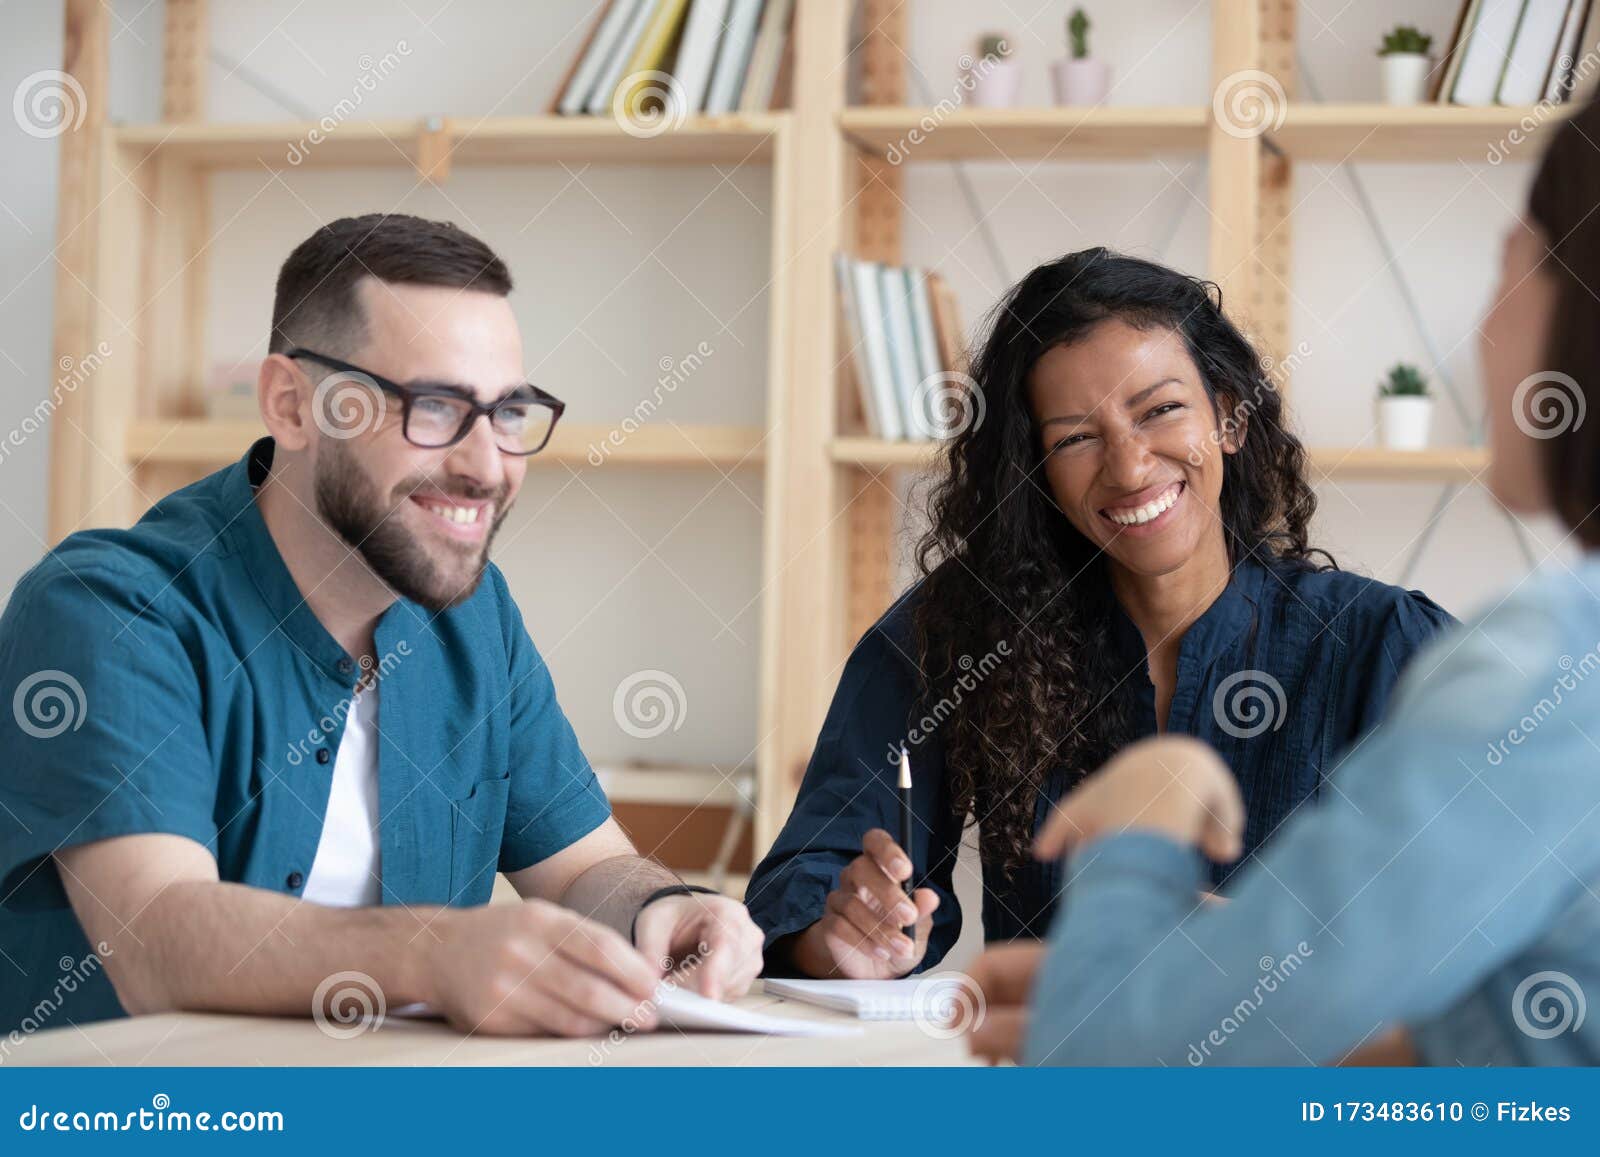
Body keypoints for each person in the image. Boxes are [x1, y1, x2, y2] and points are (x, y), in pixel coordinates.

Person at [0, 213, 762, 1038]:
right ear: (293, 405)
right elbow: (156, 937)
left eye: (508, 413)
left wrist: (669, 905)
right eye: (433, 407)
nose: (484, 465)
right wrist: (436, 951)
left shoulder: (477, 618)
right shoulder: (108, 610)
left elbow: (587, 866)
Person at [970, 93, 1600, 1067]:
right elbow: (1525, 1048)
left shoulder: (1551, 662)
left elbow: (1118, 1068)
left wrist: (1147, 819)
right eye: (1076, 439)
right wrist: (1185, 980)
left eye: (1513, 264)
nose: (1479, 331)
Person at [746, 249, 1454, 980]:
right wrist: (845, 934)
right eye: (1076, 438)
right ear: (1037, 472)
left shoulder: (1386, 646)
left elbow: (1498, 922)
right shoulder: (962, 630)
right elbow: (808, 880)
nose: (1129, 466)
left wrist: (1260, 942)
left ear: (1231, 417)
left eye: (1162, 409)